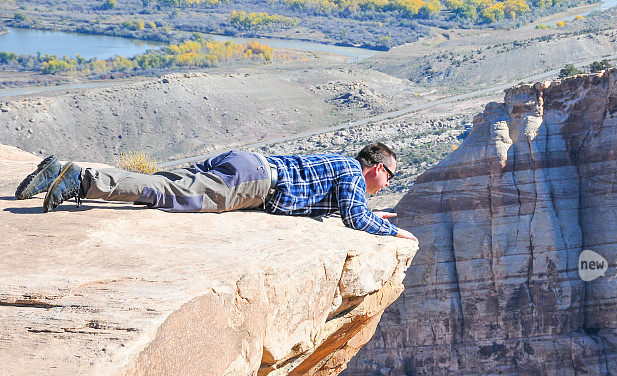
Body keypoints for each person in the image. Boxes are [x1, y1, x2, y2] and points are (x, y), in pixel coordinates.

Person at [15, 142, 417, 242]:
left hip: (248, 162)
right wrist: (394, 232)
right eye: (390, 177)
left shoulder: (342, 166)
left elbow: (345, 208)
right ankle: (84, 181)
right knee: (167, 193)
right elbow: (354, 218)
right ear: (377, 168)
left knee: (164, 179)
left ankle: (55, 169)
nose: (388, 184)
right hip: (254, 183)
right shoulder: (351, 171)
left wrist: (371, 215)